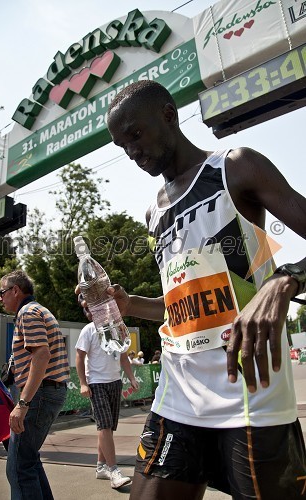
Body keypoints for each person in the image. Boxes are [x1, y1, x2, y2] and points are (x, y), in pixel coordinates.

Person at [103, 80, 306, 499]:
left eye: (136, 135)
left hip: (249, 389)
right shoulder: (153, 211)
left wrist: (285, 279)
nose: (133, 152)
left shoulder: (235, 167)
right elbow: (176, 308)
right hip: (179, 392)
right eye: (123, 146)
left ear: (168, 114)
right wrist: (128, 304)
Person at [0, 270, 70, 500]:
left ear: (15, 290)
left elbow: (41, 355)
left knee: (18, 468)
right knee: (28, 461)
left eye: (2, 292)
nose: (1, 298)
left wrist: (22, 403)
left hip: (40, 394)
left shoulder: (27, 313)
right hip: (49, 391)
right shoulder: (39, 310)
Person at [75, 321, 139, 489]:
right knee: (104, 426)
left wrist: (131, 378)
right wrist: (83, 383)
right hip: (96, 383)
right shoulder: (88, 330)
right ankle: (114, 470)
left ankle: (101, 466)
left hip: (115, 382)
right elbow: (79, 357)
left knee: (107, 428)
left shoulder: (117, 328)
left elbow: (124, 356)